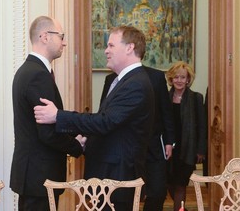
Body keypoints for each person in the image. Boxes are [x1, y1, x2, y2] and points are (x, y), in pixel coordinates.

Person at [34, 25, 155, 211]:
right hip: (110, 177)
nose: (106, 51)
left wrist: (58, 116)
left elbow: (104, 122)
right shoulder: (123, 80)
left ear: (130, 48)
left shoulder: (136, 83)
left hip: (118, 179)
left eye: (111, 46)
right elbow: (109, 123)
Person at [10, 16, 86, 211]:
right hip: (39, 176)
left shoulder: (28, 70)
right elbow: (47, 132)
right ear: (45, 37)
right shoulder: (37, 74)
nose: (65, 42)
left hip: (34, 175)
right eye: (61, 36)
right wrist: (77, 145)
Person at [100, 67, 175, 211]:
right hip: (125, 147)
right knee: (125, 193)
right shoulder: (111, 79)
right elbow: (103, 113)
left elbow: (166, 111)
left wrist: (169, 141)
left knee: (158, 191)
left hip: (153, 144)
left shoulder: (156, 76)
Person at [165, 61, 206, 211]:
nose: (179, 80)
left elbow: (202, 126)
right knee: (169, 183)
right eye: (176, 77)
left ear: (188, 79)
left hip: (187, 150)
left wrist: (201, 150)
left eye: (183, 77)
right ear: (171, 79)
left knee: (180, 185)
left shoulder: (196, 98)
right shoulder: (164, 98)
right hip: (169, 149)